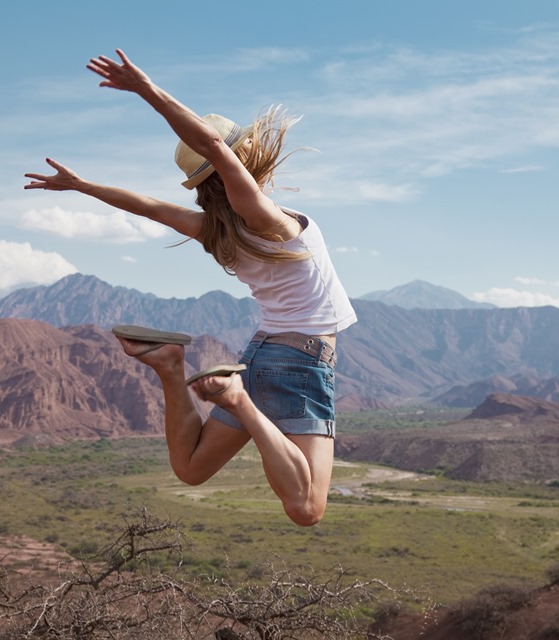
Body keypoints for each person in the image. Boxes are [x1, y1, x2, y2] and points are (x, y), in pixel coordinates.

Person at [24, 49, 356, 526]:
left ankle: (169, 365)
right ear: (238, 162)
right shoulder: (266, 219)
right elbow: (214, 148)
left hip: (262, 356)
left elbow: (147, 206)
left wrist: (82, 186)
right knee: (306, 508)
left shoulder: (214, 230)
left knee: (191, 468)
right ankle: (236, 398)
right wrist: (146, 90)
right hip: (299, 361)